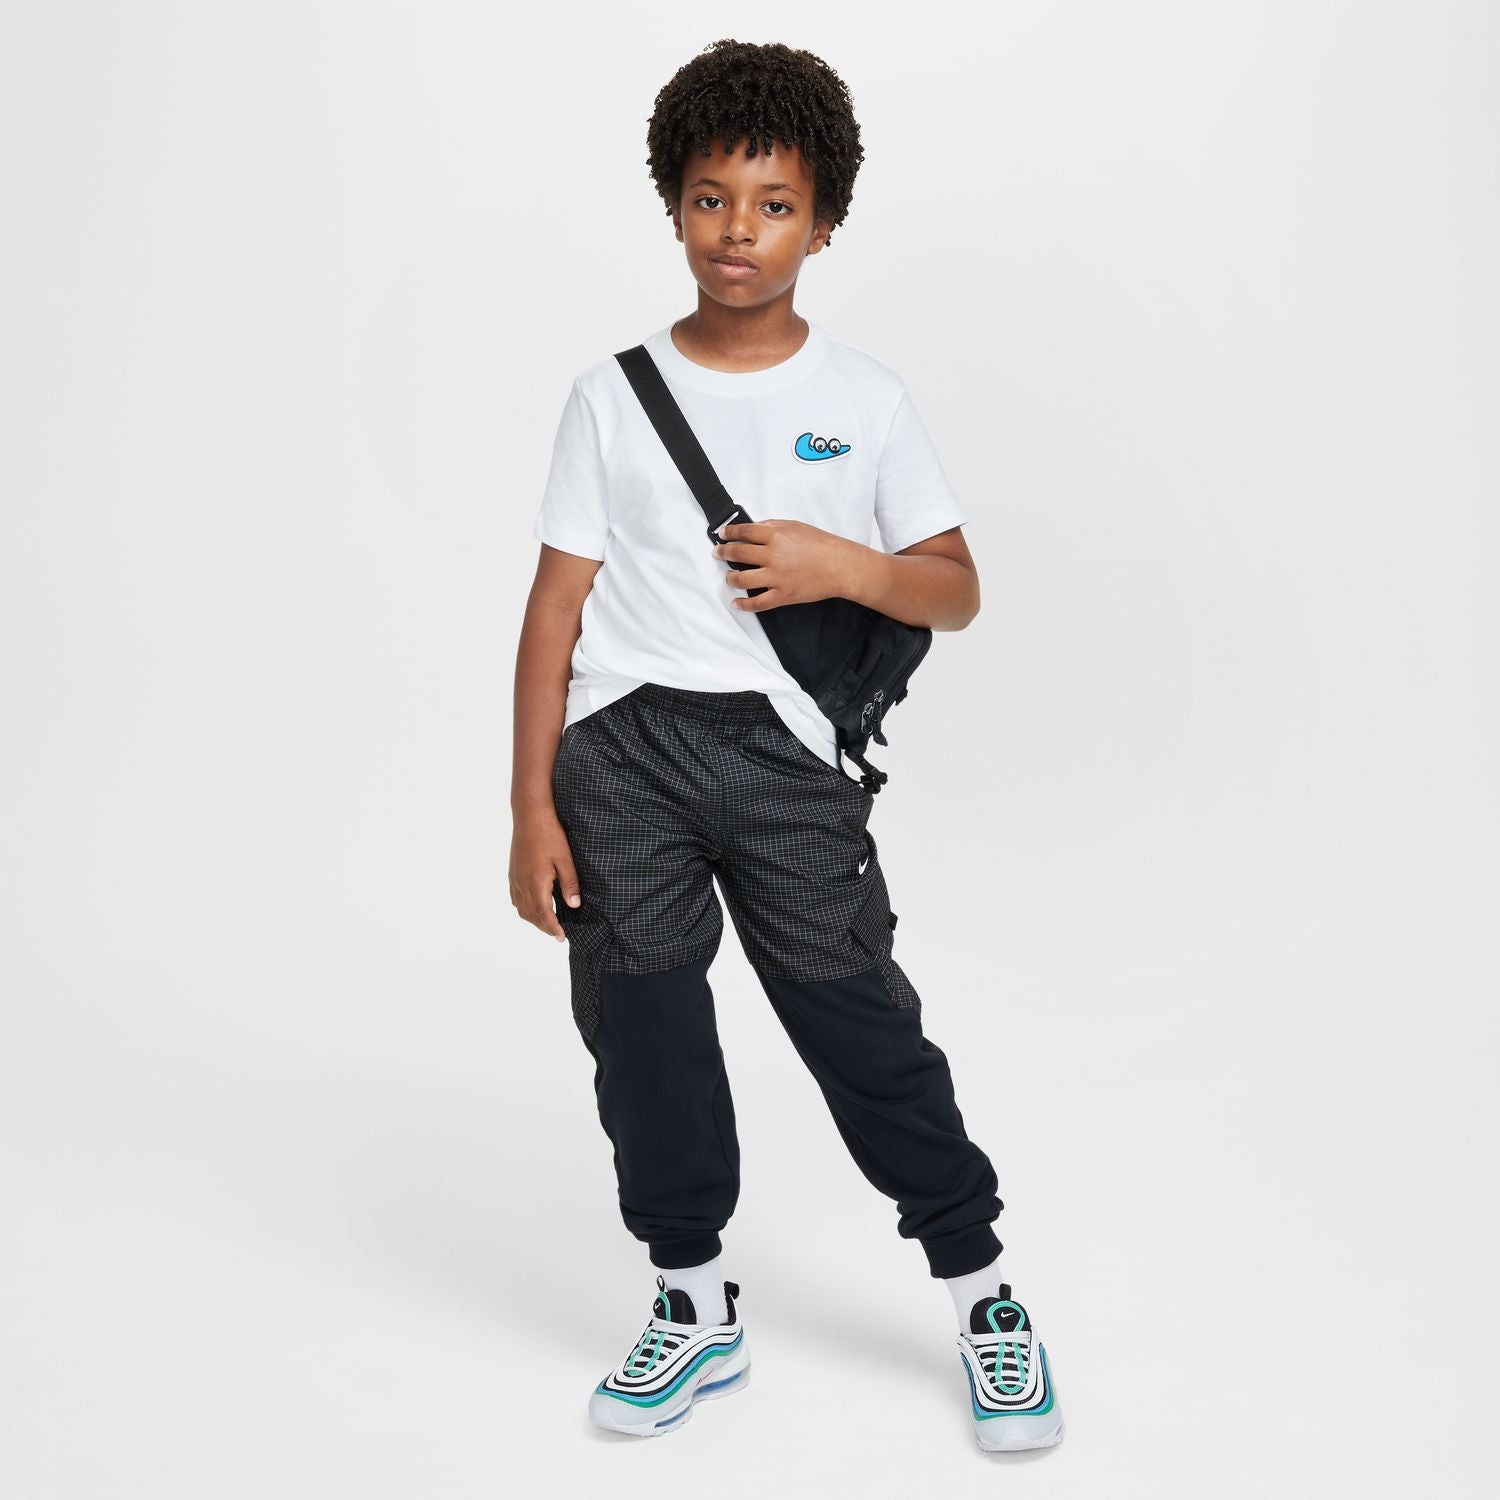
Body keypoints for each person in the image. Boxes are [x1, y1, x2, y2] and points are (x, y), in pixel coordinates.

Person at [510, 38, 1064, 1451]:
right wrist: (530, 806)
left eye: (772, 205)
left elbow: (956, 589)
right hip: (622, 752)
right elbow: (554, 608)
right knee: (643, 1035)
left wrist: (841, 563)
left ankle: (982, 1292)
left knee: (858, 1021)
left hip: (786, 761)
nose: (737, 230)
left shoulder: (864, 399)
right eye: (710, 199)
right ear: (673, 206)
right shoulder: (611, 394)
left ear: (823, 223)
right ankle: (693, 1303)